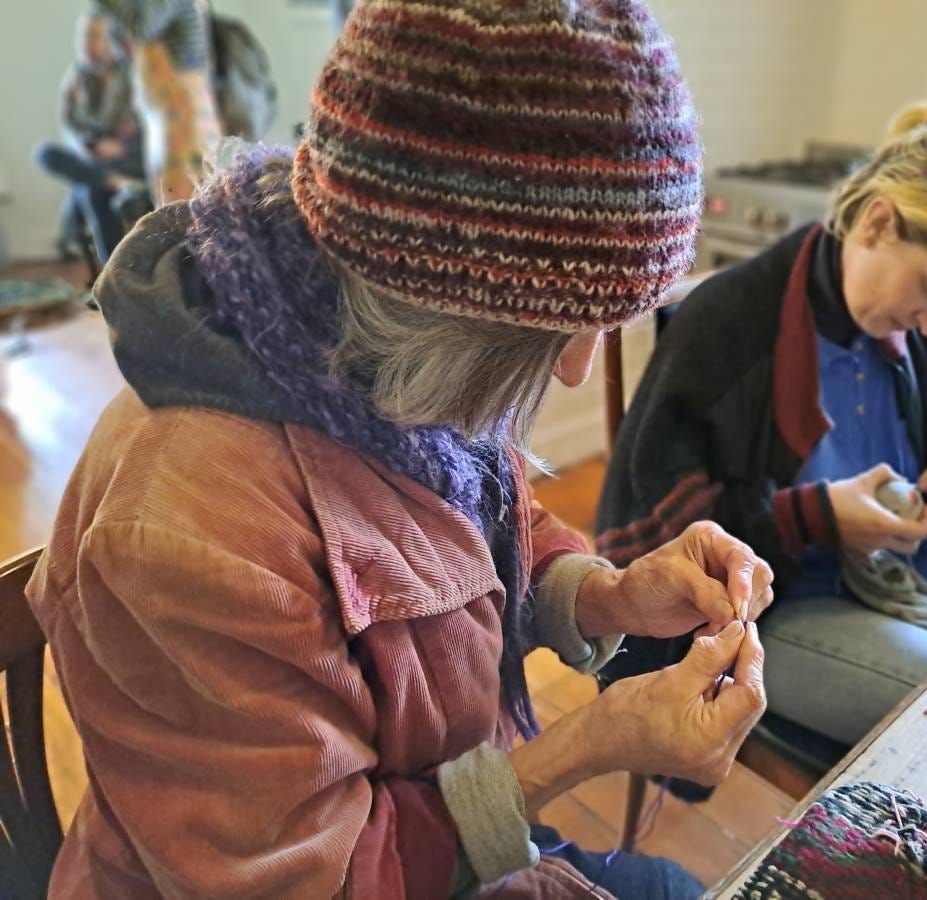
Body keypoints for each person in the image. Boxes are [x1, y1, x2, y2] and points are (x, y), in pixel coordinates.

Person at [27, 2, 774, 897]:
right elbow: (318, 878)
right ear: (444, 298)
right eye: (561, 333)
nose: (578, 373)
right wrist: (593, 742)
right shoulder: (185, 528)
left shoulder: (373, 352)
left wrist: (607, 596)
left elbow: (464, 534)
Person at [596, 102, 927, 756]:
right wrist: (812, 518)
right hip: (771, 613)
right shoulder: (727, 325)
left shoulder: (912, 329)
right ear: (878, 222)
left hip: (896, 578)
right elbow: (647, 543)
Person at [33, 13, 144, 263]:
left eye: (94, 36)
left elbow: (151, 127)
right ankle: (113, 182)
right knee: (45, 154)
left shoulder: (134, 73)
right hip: (91, 160)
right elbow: (70, 128)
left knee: (87, 185)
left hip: (130, 158)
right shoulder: (75, 77)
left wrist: (120, 147)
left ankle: (111, 274)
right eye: (82, 36)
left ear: (112, 40)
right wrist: (85, 148)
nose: (86, 43)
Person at [93, 0, 221, 203]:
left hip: (181, 102)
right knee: (167, 182)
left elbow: (143, 28)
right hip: (162, 107)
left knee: (188, 185)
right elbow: (122, 48)